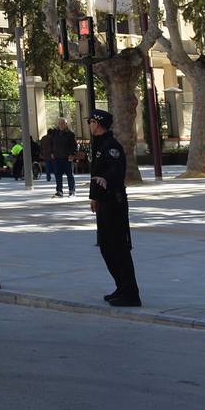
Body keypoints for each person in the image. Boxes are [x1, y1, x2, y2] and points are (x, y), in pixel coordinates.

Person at [88, 109, 140, 306]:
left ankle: (131, 293)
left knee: (118, 248)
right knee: (106, 248)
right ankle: (121, 287)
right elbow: (97, 174)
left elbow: (114, 173)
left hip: (114, 203)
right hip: (104, 203)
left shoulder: (111, 146)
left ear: (98, 123)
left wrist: (102, 187)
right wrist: (94, 197)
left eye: (91, 121)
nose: (89, 125)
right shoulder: (100, 145)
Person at [53, 117, 77, 197]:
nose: (61, 125)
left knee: (70, 175)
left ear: (66, 124)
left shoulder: (70, 134)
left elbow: (74, 146)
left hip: (67, 158)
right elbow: (52, 144)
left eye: (63, 123)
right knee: (58, 175)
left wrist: (72, 154)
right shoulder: (55, 133)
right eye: (59, 123)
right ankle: (59, 191)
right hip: (57, 158)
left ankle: (72, 191)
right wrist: (52, 152)